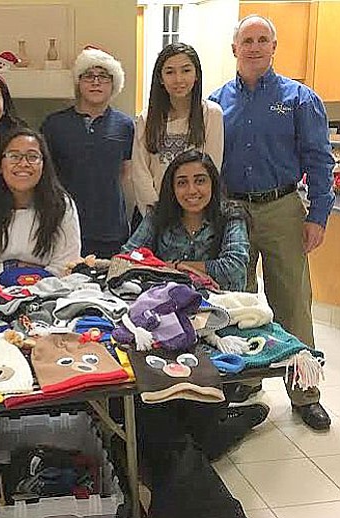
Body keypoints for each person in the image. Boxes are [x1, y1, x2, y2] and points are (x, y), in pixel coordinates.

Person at [210, 15, 335, 430]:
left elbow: (320, 159)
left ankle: (304, 393)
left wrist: (317, 216)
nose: (255, 47)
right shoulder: (214, 103)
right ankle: (243, 383)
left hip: (281, 207)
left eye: (264, 40)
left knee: (293, 302)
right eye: (248, 40)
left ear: (274, 47)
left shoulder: (300, 99)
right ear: (234, 49)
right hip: (232, 213)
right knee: (235, 304)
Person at [41, 46, 134, 258]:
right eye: (88, 76)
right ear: (78, 81)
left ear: (114, 84)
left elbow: (126, 174)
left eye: (103, 76)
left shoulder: (125, 125)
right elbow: (44, 176)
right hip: (63, 228)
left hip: (111, 230)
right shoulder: (54, 124)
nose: (96, 82)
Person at [123, 150, 249, 292]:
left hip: (221, 304)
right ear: (172, 188)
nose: (192, 190)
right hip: (166, 301)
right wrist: (176, 269)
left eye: (200, 181)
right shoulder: (158, 215)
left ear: (213, 184)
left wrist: (177, 266)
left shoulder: (231, 216)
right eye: (182, 183)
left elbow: (235, 268)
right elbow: (127, 258)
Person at [0, 128, 81, 279]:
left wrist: (34, 278)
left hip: (47, 292)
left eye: (32, 157)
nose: (23, 164)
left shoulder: (61, 205)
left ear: (43, 165)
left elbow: (67, 265)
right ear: (0, 166)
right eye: (14, 156)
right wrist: (8, 270)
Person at [131, 43, 224, 217]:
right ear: (160, 78)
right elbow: (140, 173)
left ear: (196, 75)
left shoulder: (212, 114)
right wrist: (157, 216)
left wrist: (191, 213)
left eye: (186, 70)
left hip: (196, 212)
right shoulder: (146, 118)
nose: (178, 79)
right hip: (153, 215)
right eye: (170, 72)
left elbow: (212, 170)